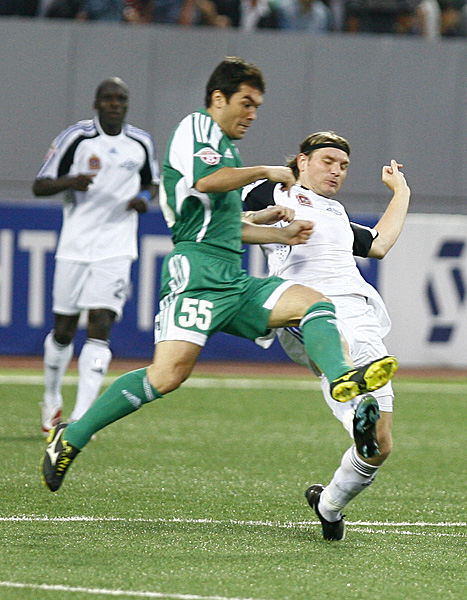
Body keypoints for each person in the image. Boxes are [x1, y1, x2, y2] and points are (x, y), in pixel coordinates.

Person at [42, 57, 398, 493]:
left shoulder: (226, 148)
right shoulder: (197, 129)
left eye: (257, 106)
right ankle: (71, 437)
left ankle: (342, 375)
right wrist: (265, 171)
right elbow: (206, 182)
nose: (252, 114)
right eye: (246, 103)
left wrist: (277, 231)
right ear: (218, 98)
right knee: (167, 376)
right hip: (195, 272)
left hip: (231, 275)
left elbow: (229, 227)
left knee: (313, 303)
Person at [242, 131, 410, 540]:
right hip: (303, 306)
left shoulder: (335, 212)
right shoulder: (273, 190)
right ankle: (356, 409)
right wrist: (264, 219)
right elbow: (221, 220)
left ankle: (330, 504)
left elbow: (378, 244)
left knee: (380, 445)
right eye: (328, 161)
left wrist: (401, 191)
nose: (336, 171)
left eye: (344, 166)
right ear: (302, 161)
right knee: (340, 353)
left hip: (360, 314)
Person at [33, 77, 160, 436]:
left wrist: (144, 199)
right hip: (75, 243)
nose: (114, 104)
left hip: (117, 247)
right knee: (63, 330)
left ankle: (80, 417)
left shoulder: (140, 142)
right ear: (96, 103)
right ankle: (51, 396)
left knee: (100, 325)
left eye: (121, 98)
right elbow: (40, 184)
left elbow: (152, 181)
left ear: (127, 104)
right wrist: (71, 181)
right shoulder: (77, 138)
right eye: (108, 98)